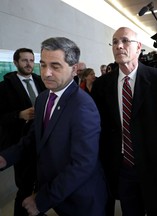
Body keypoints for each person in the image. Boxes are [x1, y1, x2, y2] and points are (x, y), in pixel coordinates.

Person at [92, 26, 157, 216]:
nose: (119, 46)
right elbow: (98, 130)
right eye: (115, 42)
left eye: (124, 41)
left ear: (138, 47)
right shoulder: (102, 85)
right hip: (122, 168)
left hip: (156, 167)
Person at [0, 37, 107, 216]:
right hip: (53, 190)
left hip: (80, 200)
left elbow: (83, 164)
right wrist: (5, 157)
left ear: (74, 70)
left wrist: (42, 200)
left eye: (55, 66)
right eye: (42, 65)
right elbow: (34, 137)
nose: (46, 73)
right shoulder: (43, 98)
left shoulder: (83, 106)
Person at [0, 48, 46, 216]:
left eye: (31, 60)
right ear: (15, 63)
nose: (29, 64)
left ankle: (36, 211)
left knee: (40, 183)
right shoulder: (4, 87)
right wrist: (19, 115)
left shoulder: (41, 81)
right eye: (24, 60)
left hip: (42, 140)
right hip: (21, 143)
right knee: (25, 186)